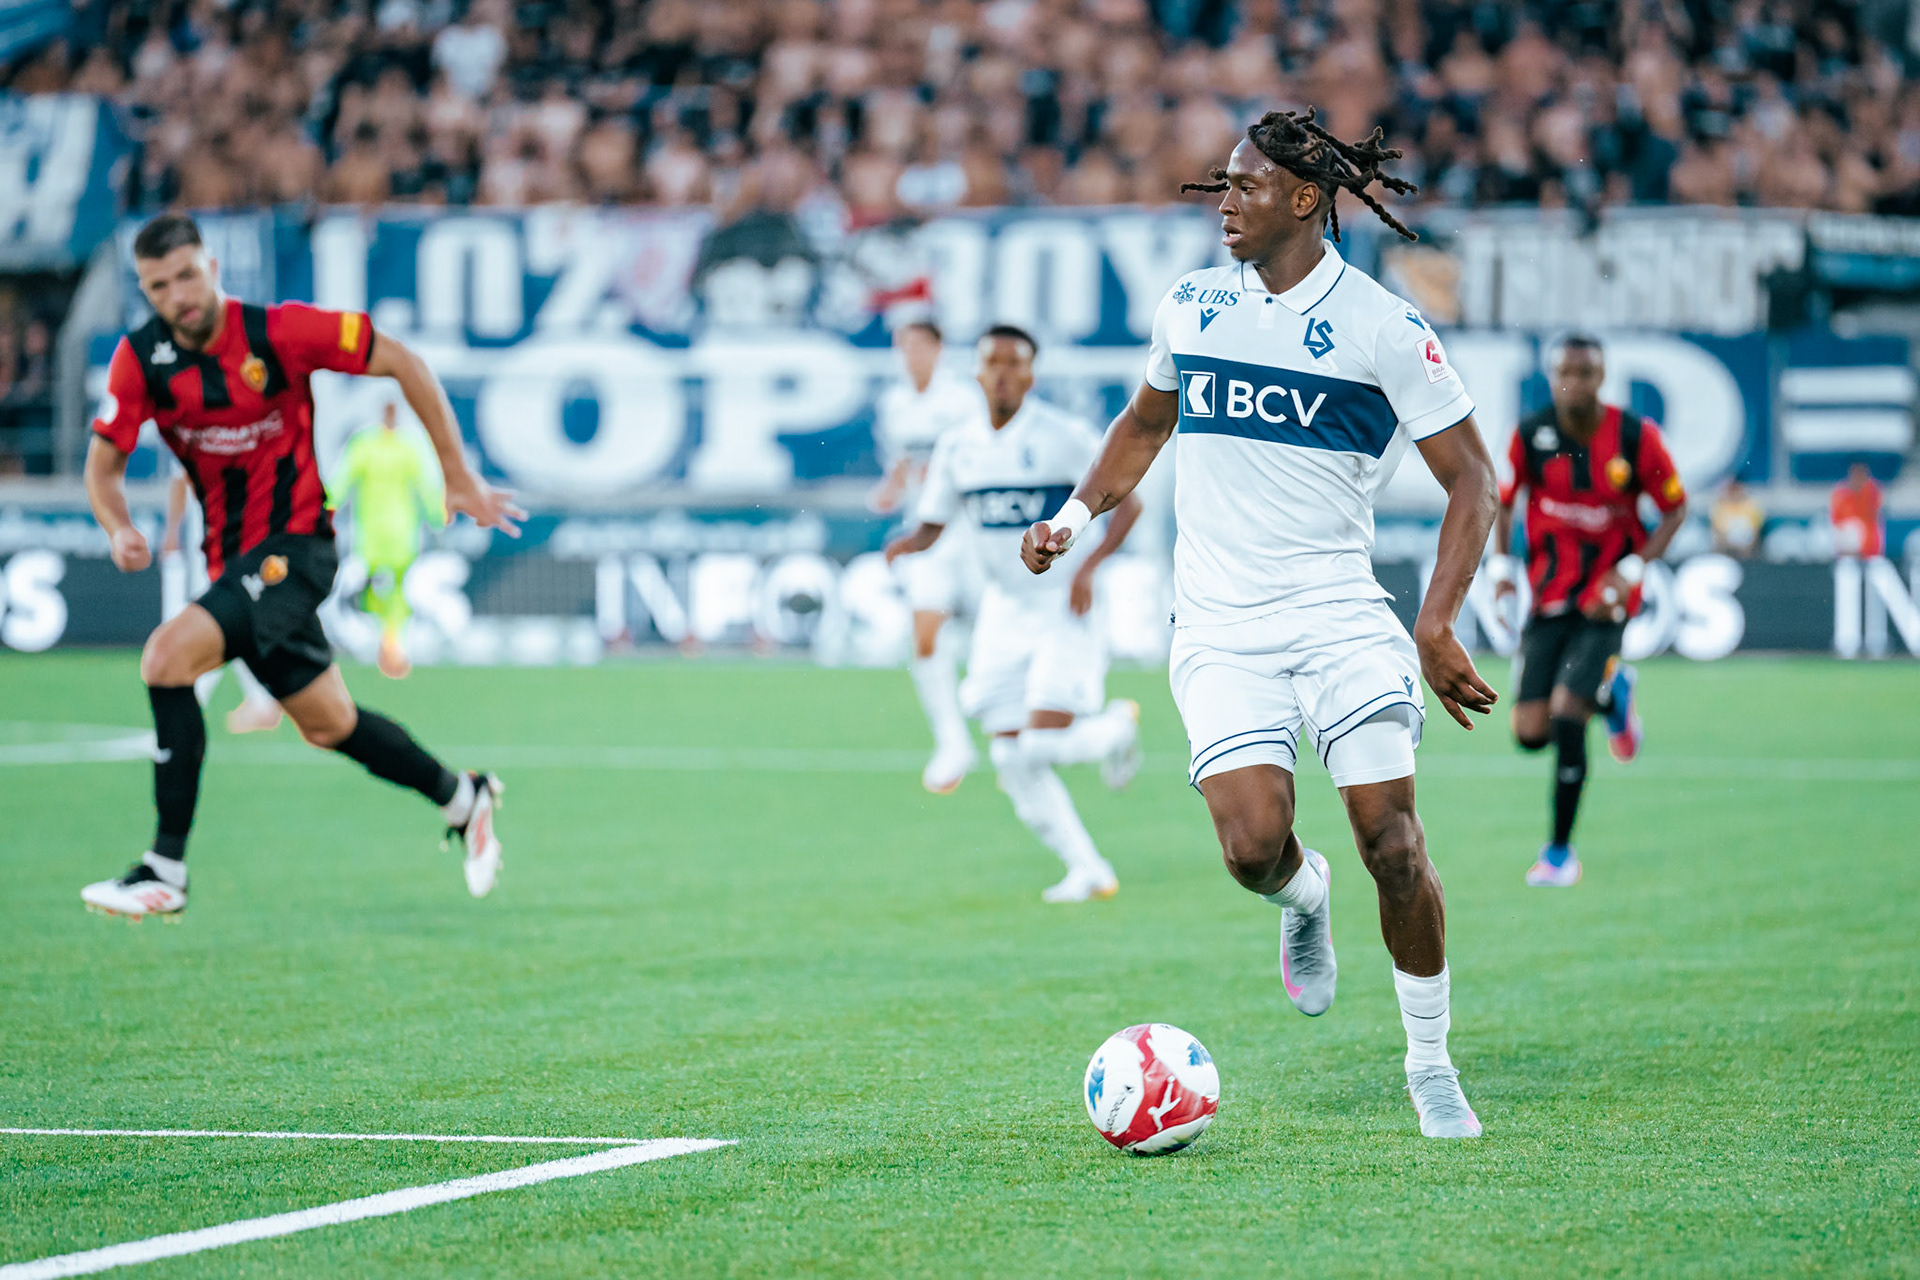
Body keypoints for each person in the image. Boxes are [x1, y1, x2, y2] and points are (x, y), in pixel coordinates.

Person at [1022, 109, 1498, 1137]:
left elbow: (1473, 479)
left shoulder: (1382, 325)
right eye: (1223, 184)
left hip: (1339, 615)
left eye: (1242, 187)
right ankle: (1302, 897)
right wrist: (1069, 516)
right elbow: (1144, 425)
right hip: (1222, 625)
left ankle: (1430, 1062)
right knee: (1250, 847)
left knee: (1395, 840)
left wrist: (1435, 619)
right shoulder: (1192, 306)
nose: (1222, 203)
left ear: (1303, 198)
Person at [80, 213, 525, 920]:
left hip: (298, 550)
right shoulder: (140, 360)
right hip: (231, 564)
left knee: (166, 658)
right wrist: (118, 527)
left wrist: (456, 474)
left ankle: (164, 869)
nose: (177, 295)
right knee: (329, 724)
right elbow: (102, 465)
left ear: (214, 268)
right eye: (157, 286)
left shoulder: (280, 332)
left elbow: (402, 359)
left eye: (187, 275)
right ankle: (462, 797)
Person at [887, 324, 1143, 903]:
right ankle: (1089, 870)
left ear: (1031, 374)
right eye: (991, 363)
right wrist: (907, 544)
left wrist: (1087, 567)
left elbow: (1128, 504)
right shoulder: (958, 445)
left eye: (1015, 363)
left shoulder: (1063, 436)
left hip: (1060, 607)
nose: (1002, 373)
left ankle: (1115, 728)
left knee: (1040, 744)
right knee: (1009, 753)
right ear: (977, 372)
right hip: (1002, 611)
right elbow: (935, 521)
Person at [1491, 334, 1688, 888]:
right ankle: (1613, 695)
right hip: (1549, 597)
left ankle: (1559, 853)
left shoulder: (1634, 437)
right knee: (1530, 733)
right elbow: (1505, 502)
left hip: (1607, 598)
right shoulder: (1531, 436)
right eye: (1564, 373)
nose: (1573, 383)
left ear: (1601, 379)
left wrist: (1633, 568)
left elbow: (1675, 510)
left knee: (1564, 713)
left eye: (1584, 373)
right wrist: (1503, 570)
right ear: (1553, 376)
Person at [870, 320, 988, 793]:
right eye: (905, 346)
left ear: (938, 349)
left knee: (992, 638)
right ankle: (953, 743)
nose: (912, 354)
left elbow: (979, 460)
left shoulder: (961, 400)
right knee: (924, 635)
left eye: (920, 345)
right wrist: (891, 488)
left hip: (972, 533)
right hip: (926, 535)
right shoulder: (894, 404)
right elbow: (900, 463)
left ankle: (1026, 734)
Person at [160, 463, 284, 733]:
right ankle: (262, 699)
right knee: (231, 616)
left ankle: (190, 704)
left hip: (222, 539)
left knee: (213, 619)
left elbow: (183, 480)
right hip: (223, 536)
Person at [328, 399, 446, 679]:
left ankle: (393, 644)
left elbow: (426, 485)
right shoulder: (364, 443)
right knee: (372, 587)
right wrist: (326, 509)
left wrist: (437, 515)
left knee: (398, 589)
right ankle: (381, 638)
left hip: (402, 532)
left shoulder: (409, 445)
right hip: (369, 532)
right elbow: (342, 480)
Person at [1830, 462, 1884, 560]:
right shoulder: (1842, 496)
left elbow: (1872, 513)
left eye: (1861, 475)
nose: (1858, 480)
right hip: (1847, 553)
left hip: (1870, 552)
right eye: (1856, 475)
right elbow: (1837, 522)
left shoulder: (1871, 493)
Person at [1710, 479, 1764, 559]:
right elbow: (1717, 531)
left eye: (1737, 489)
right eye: (1732, 490)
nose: (1735, 493)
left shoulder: (1751, 506)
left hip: (1747, 544)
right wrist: (1727, 544)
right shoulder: (1720, 506)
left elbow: (1756, 531)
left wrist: (1747, 546)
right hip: (1726, 544)